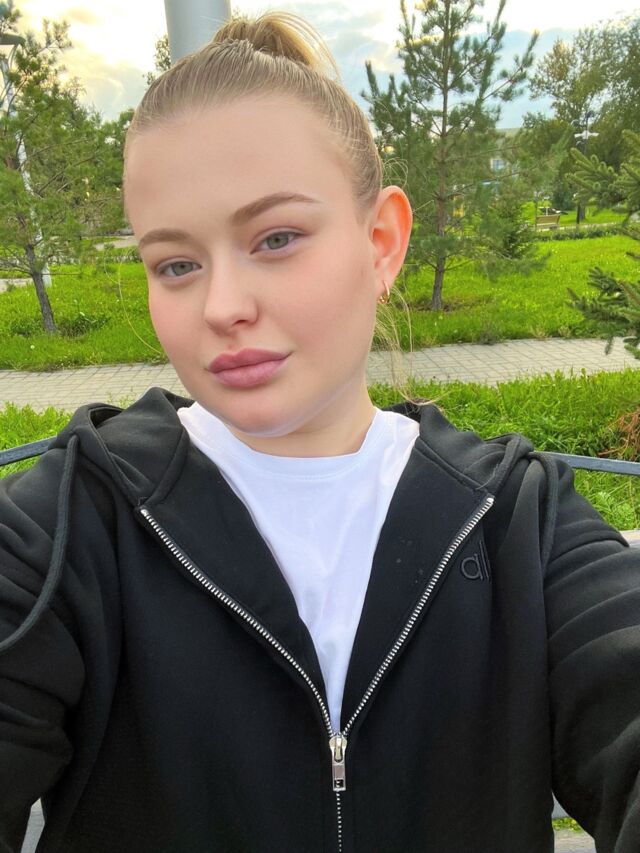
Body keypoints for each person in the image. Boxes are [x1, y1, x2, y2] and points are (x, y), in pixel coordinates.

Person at [1, 10, 639, 853]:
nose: (223, 306)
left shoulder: (520, 526)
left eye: (276, 238)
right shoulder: (67, 530)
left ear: (382, 242)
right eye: (176, 263)